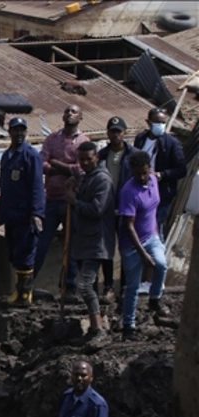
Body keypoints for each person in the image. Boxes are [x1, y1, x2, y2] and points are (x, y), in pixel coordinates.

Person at [36, 105, 89, 295]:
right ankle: (28, 282)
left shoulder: (83, 142)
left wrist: (56, 164)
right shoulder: (51, 139)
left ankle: (69, 286)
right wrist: (64, 168)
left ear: (81, 117)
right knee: (42, 241)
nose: (70, 114)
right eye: (67, 111)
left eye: (74, 111)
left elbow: (82, 170)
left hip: (71, 200)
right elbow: (41, 163)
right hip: (51, 198)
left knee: (71, 244)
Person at [117, 151, 169, 340]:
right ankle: (128, 326)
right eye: (137, 173)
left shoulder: (154, 181)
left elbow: (153, 209)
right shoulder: (128, 192)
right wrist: (143, 254)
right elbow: (129, 226)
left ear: (150, 169)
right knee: (132, 286)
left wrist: (155, 233)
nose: (141, 177)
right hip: (132, 245)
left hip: (151, 236)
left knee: (162, 265)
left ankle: (155, 298)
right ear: (132, 171)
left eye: (145, 173)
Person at [66, 141, 115, 340]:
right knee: (91, 287)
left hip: (96, 240)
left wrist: (74, 201)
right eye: (81, 159)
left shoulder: (102, 180)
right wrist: (74, 191)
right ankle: (98, 326)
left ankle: (98, 329)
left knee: (85, 285)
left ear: (97, 157)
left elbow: (96, 209)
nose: (84, 163)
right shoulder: (88, 178)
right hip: (84, 240)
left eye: (88, 159)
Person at [0, 117, 45, 305]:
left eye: (22, 130)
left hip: (26, 216)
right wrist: (0, 213)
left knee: (26, 254)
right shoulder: (7, 156)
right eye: (16, 130)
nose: (19, 134)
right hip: (11, 215)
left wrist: (37, 213)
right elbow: (5, 188)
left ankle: (25, 294)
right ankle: (18, 292)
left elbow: (37, 187)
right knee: (15, 254)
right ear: (9, 132)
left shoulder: (30, 155)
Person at [132, 107, 187, 229]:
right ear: (148, 122)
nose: (161, 125)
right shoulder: (140, 139)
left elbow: (181, 170)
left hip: (161, 193)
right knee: (139, 225)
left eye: (163, 122)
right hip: (140, 190)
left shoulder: (172, 143)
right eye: (157, 122)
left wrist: (161, 174)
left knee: (155, 227)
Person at [97, 116, 132, 302]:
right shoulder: (101, 155)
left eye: (119, 131)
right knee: (107, 250)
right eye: (112, 131)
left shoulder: (133, 155)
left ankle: (126, 285)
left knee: (126, 246)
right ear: (108, 133)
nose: (115, 135)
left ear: (124, 133)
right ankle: (108, 286)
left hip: (126, 206)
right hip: (107, 207)